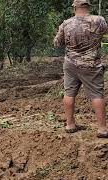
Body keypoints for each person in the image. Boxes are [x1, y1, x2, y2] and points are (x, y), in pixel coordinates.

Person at [54, 0, 108, 138]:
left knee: (69, 93)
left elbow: (57, 43)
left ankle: (70, 124)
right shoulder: (99, 20)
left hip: (70, 64)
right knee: (97, 94)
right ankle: (102, 129)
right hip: (91, 65)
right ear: (88, 6)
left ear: (74, 7)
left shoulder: (66, 23)